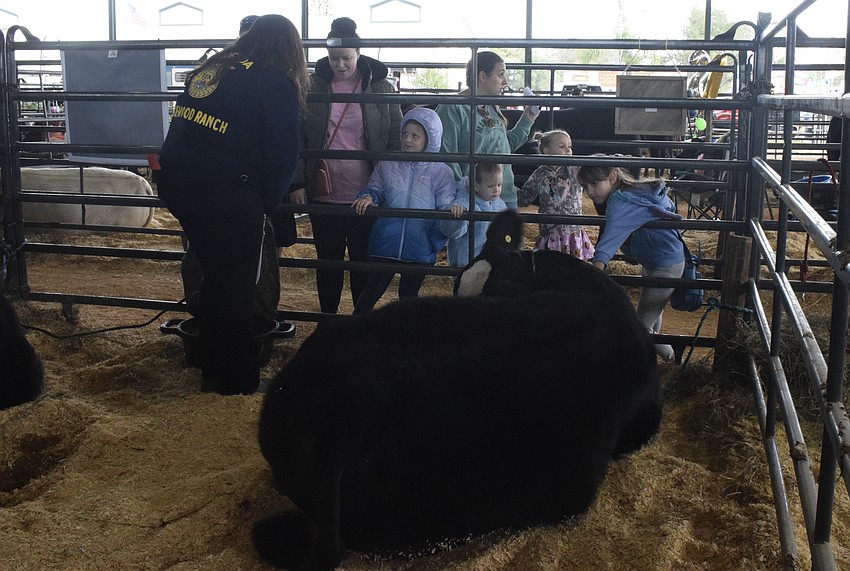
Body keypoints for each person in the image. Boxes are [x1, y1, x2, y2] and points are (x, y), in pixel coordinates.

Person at [156, 14, 309, 395]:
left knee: (216, 276)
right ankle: (237, 381)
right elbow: (283, 154)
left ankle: (211, 368)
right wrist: (265, 205)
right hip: (224, 191)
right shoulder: (276, 82)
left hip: (178, 183)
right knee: (238, 286)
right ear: (290, 50)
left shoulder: (214, 68)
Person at [287, 17, 403, 314]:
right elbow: (297, 135)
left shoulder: (380, 88)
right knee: (328, 261)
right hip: (324, 191)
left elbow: (394, 137)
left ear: (359, 53)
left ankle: (358, 322)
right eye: (334, 58)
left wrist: (387, 185)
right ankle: (328, 319)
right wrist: (297, 182)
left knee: (362, 261)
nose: (340, 64)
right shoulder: (312, 86)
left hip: (367, 194)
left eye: (347, 58)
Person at [576, 160, 685, 362]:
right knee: (651, 313)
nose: (590, 191)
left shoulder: (620, 202)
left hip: (666, 264)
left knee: (641, 326)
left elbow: (609, 239)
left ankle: (673, 357)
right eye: (585, 186)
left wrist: (594, 273)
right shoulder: (636, 190)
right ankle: (650, 358)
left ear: (612, 177)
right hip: (657, 260)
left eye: (595, 183)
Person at [351, 107, 456, 314]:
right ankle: (355, 330)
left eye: (415, 136)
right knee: (370, 294)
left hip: (419, 247)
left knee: (408, 299)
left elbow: (445, 209)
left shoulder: (442, 172)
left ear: (430, 138)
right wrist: (368, 196)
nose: (407, 140)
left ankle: (405, 334)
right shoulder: (387, 164)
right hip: (385, 243)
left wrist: (432, 243)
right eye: (405, 133)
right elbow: (376, 188)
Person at [436, 51, 539, 210]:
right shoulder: (452, 108)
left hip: (505, 194)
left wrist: (527, 119)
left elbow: (504, 148)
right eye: (500, 74)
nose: (505, 81)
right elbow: (447, 156)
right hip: (475, 198)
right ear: (483, 76)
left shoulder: (491, 106)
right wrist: (463, 194)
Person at [517, 129, 594, 261]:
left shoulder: (574, 169)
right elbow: (525, 198)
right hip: (550, 231)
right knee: (551, 265)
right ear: (547, 151)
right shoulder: (540, 174)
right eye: (562, 146)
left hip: (572, 231)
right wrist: (508, 189)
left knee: (574, 266)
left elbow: (592, 169)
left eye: (569, 146)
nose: (568, 150)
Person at [441, 162, 507, 268]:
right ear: (476, 186)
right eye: (490, 186)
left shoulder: (499, 204)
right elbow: (451, 232)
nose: (496, 190)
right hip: (466, 263)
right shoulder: (465, 203)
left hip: (488, 262)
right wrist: (456, 216)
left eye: (499, 184)